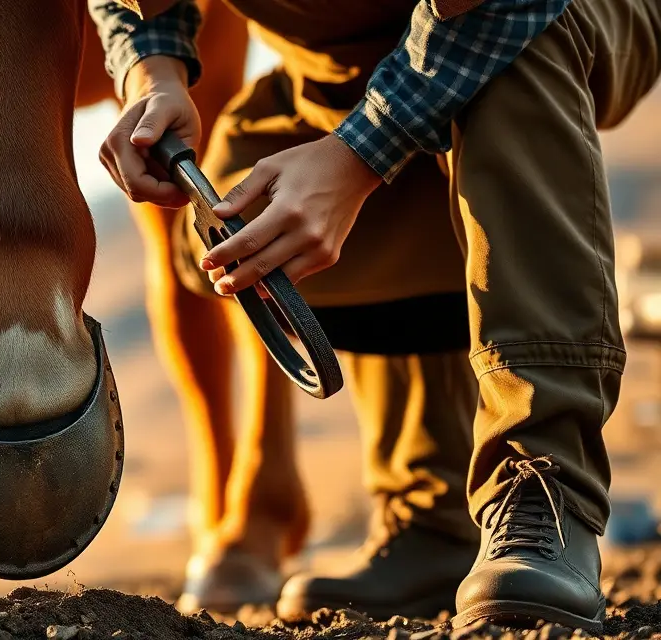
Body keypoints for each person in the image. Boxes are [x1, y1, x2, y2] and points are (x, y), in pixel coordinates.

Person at [89, 0, 661, 631]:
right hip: (350, 62)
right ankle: (430, 515)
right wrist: (153, 69)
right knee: (240, 186)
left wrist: (358, 157)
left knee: (510, 59)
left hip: (549, 10)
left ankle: (545, 491)